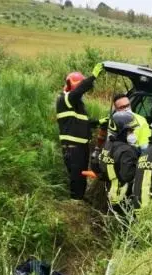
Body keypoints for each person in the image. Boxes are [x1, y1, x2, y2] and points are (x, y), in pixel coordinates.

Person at [55, 63, 107, 200]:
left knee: (82, 175)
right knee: (76, 176)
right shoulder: (65, 99)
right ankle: (74, 202)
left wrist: (99, 122)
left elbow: (83, 123)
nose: (81, 89)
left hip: (81, 147)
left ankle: (80, 198)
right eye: (79, 85)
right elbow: (79, 91)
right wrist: (93, 77)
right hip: (73, 148)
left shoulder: (76, 104)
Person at [94, 111, 140, 213]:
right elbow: (128, 176)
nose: (133, 133)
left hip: (106, 191)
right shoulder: (127, 151)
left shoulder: (108, 144)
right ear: (122, 131)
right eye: (130, 131)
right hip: (121, 197)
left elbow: (96, 165)